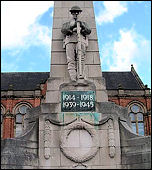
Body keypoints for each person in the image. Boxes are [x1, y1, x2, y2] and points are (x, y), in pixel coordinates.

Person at [61, 6, 91, 82]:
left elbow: (88, 31)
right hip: (70, 41)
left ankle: (81, 76)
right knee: (70, 60)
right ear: (71, 13)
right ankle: (73, 77)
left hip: (81, 41)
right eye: (74, 12)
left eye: (77, 12)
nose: (76, 14)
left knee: (81, 59)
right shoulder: (67, 24)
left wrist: (82, 26)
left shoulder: (83, 23)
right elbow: (64, 30)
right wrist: (72, 27)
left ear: (80, 13)